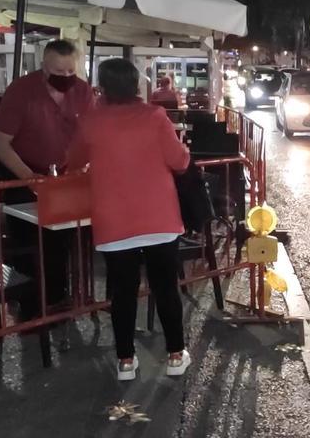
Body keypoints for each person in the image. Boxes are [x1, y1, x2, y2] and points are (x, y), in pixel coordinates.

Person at [67, 58, 190, 381]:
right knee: (165, 288)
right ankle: (176, 354)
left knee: (121, 292)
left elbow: (74, 160)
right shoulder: (154, 116)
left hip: (114, 221)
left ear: (102, 85)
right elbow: (178, 161)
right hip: (159, 218)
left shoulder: (91, 120)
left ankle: (125, 360)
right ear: (136, 84)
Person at [0, 39, 95, 312]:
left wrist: (83, 166)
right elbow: (0, 142)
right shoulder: (22, 90)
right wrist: (29, 177)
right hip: (21, 168)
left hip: (63, 173)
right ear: (44, 67)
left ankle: (58, 300)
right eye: (57, 73)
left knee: (61, 240)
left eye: (69, 72)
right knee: (27, 242)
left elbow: (89, 136)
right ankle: (28, 305)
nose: (64, 78)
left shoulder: (83, 91)